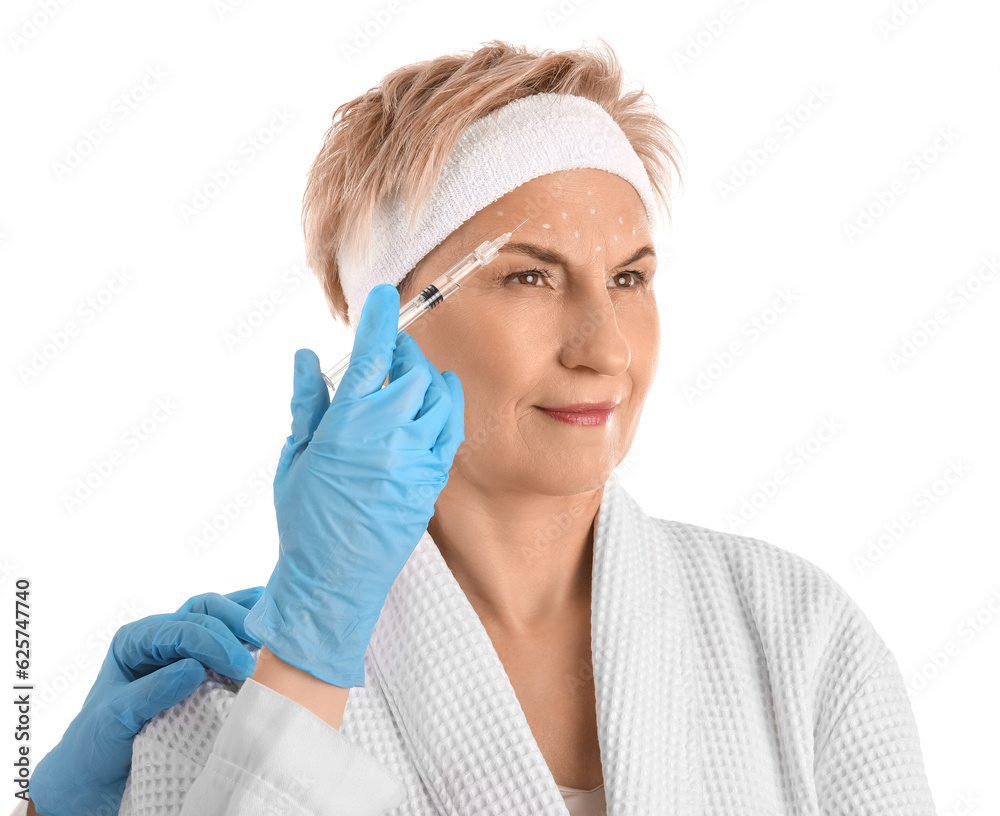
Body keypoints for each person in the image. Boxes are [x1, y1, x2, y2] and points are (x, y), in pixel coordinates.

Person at [21, 39, 938, 816]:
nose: (606, 349)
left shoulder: (799, 640)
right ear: (391, 325)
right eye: (529, 277)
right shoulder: (233, 697)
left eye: (629, 278)